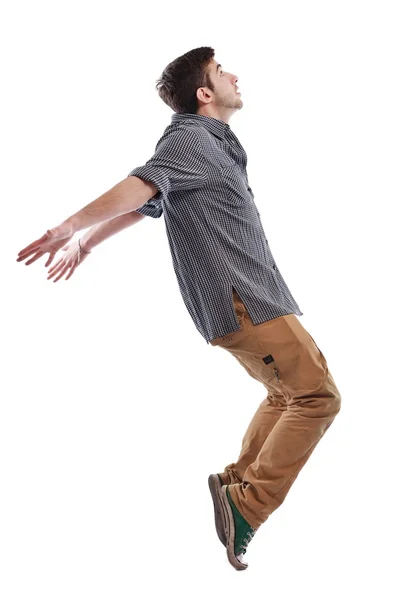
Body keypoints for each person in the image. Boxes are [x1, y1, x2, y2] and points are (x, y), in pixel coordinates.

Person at [16, 46, 341, 571]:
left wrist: (91, 243)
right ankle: (246, 503)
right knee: (316, 397)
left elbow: (153, 200)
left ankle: (236, 484)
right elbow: (146, 183)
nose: (235, 74)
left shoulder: (214, 145)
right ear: (204, 94)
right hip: (242, 299)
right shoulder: (190, 135)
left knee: (291, 394)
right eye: (221, 72)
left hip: (257, 294)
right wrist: (72, 225)